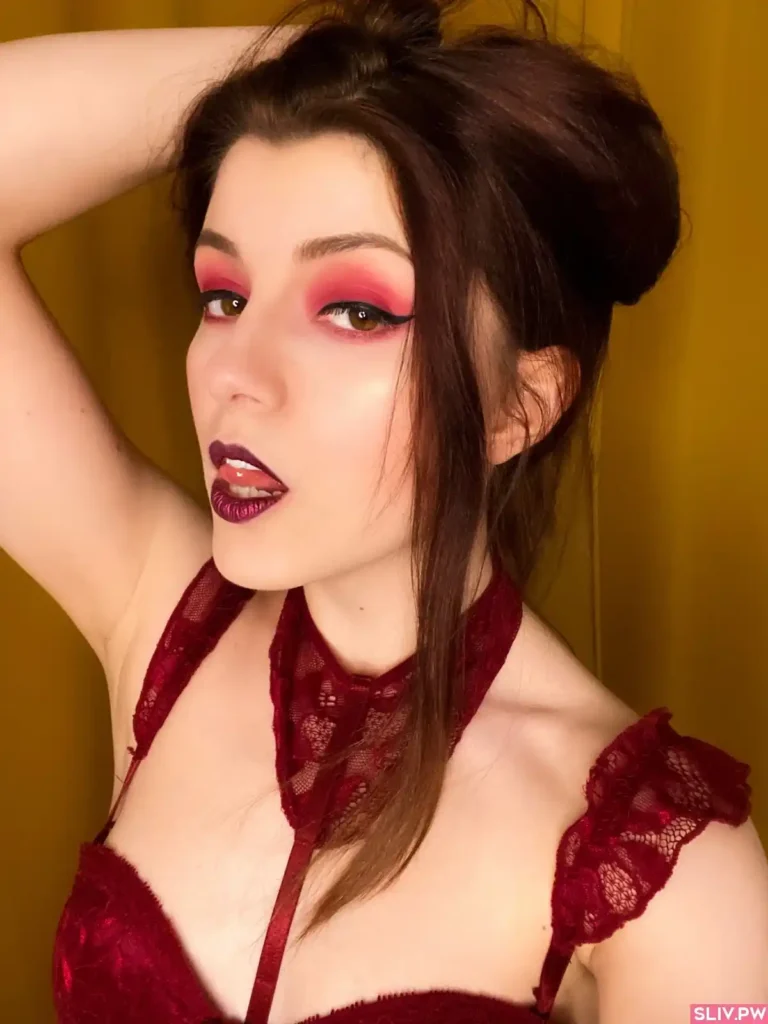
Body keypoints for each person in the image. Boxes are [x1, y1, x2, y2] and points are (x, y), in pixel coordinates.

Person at [1, 0, 766, 1021]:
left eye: (355, 310)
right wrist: (343, 65)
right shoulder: (163, 626)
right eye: (224, 294)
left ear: (520, 404)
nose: (233, 373)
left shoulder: (674, 871)